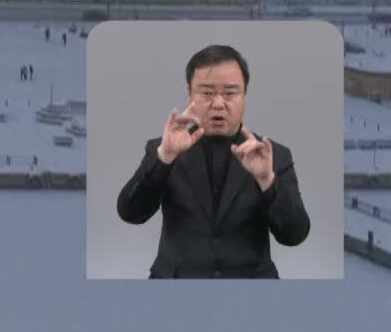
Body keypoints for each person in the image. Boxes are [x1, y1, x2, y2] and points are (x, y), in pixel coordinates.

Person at [116, 44, 311, 278]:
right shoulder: (164, 148)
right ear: (190, 94)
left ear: (245, 95)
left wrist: (267, 181)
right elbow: (130, 213)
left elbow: (295, 235)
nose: (218, 104)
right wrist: (164, 158)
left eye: (230, 93)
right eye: (207, 93)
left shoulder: (273, 155)